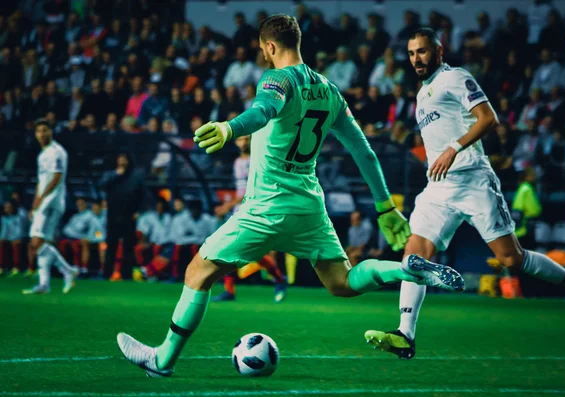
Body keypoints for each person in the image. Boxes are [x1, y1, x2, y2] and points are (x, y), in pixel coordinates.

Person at [117, 15, 465, 378]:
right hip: (309, 208)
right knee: (342, 283)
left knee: (198, 273)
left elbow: (263, 110)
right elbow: (365, 152)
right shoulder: (331, 91)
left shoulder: (276, 79)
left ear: (268, 47)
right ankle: (406, 268)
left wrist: (228, 127)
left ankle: (162, 361)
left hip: (266, 207)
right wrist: (385, 207)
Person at [365, 28, 565, 360]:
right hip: (438, 188)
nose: (417, 58)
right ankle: (405, 334)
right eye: (412, 53)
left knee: (511, 260)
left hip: (474, 180)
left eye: (423, 51)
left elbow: (488, 118)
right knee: (414, 254)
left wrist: (452, 148)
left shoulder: (455, 78)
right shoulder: (421, 95)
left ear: (438, 51)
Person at [211, 135, 288, 303]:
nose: (243, 143)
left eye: (246, 139)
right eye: (240, 140)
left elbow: (253, 189)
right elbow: (241, 191)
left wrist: (227, 205)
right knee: (233, 250)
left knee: (244, 250)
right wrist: (230, 205)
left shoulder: (260, 158)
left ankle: (279, 280)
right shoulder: (238, 162)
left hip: (257, 210)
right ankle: (278, 281)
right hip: (241, 211)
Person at [22, 119, 78, 295]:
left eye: (45, 130)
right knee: (41, 243)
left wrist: (42, 198)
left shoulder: (57, 152)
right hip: (44, 201)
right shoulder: (42, 154)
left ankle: (67, 270)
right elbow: (41, 181)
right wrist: (34, 203)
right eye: (38, 131)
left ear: (51, 132)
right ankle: (44, 283)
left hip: (53, 201)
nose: (41, 134)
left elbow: (56, 177)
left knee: (36, 242)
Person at [99, 153, 145, 281]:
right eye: (120, 159)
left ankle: (127, 275)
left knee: (128, 247)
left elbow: (141, 194)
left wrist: (138, 211)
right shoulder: (110, 174)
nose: (122, 161)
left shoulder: (135, 176)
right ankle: (107, 274)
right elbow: (101, 184)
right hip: (113, 215)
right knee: (111, 246)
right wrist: (116, 174)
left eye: (125, 159)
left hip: (129, 216)